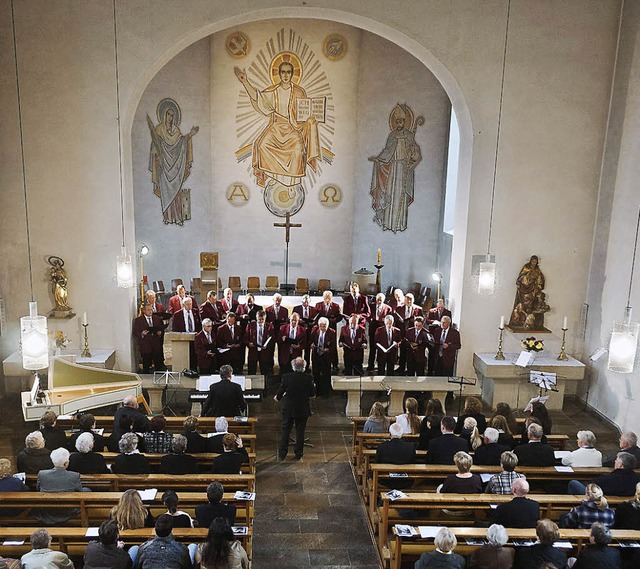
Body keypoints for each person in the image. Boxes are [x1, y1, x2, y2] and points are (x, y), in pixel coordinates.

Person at [234, 60, 321, 189]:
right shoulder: (273, 91)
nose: (286, 75)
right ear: (279, 74)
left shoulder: (299, 92)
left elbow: (304, 113)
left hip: (293, 129)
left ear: (292, 74)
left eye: (288, 72)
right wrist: (245, 81)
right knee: (261, 145)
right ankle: (274, 178)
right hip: (276, 127)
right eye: (283, 72)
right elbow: (257, 97)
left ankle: (291, 183)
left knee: (297, 150)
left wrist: (310, 120)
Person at [369, 104, 422, 234]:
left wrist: (413, 156)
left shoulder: (410, 136)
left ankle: (399, 224)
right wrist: (378, 159)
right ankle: (388, 223)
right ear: (395, 122)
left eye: (402, 121)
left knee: (401, 196)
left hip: (404, 169)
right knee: (391, 195)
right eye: (397, 121)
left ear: (405, 122)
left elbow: (415, 152)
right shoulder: (392, 136)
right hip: (393, 170)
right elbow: (387, 151)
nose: (399, 123)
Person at [147, 99, 199, 225]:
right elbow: (154, 147)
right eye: (168, 114)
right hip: (164, 168)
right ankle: (167, 217)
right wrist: (156, 155)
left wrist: (190, 135)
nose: (170, 117)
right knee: (166, 193)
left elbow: (181, 144)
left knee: (176, 193)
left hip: (175, 168)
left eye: (172, 115)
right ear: (164, 115)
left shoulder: (176, 131)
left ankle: (176, 217)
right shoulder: (159, 129)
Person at [275, 357, 315, 461]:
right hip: (302, 409)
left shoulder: (286, 377)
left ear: (293, 367)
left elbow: (281, 390)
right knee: (300, 431)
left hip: (289, 408)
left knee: (285, 430)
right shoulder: (309, 378)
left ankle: (282, 454)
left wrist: (277, 397)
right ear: (304, 367)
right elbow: (312, 394)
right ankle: (298, 454)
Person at [36, 447, 86, 525]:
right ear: (66, 463)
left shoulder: (42, 474)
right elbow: (80, 493)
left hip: (47, 510)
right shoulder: (74, 476)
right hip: (68, 511)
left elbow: (38, 490)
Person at [569, 451, 640, 497]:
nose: (615, 461)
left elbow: (592, 485)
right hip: (627, 502)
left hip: (602, 502)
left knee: (573, 483)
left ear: (621, 465)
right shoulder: (637, 479)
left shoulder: (609, 478)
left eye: (617, 460)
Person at [508, 255, 548, 329]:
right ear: (530, 261)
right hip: (524, 289)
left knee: (531, 303)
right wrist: (528, 279)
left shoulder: (537, 270)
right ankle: (522, 320)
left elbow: (540, 279)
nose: (534, 263)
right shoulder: (526, 267)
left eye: (535, 262)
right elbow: (521, 277)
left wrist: (538, 284)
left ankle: (529, 321)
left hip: (533, 290)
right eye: (533, 261)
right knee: (524, 304)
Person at [394, 292, 424, 373]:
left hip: (413, 334)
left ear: (413, 300)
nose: (409, 302)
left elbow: (421, 320)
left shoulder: (418, 309)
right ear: (404, 300)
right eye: (407, 300)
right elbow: (396, 322)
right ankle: (401, 367)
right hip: (402, 332)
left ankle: (410, 367)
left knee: (411, 351)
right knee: (403, 350)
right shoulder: (399, 308)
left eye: (411, 300)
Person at [133, 303, 166, 374]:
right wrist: (142, 334)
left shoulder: (157, 319)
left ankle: (158, 377)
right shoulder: (138, 320)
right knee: (146, 364)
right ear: (144, 311)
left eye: (151, 309)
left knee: (158, 364)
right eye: (148, 310)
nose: (150, 311)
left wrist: (160, 333)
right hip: (146, 345)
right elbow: (135, 332)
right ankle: (146, 379)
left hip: (156, 344)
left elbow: (161, 329)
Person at [310, 316, 337, 396]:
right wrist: (311, 344)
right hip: (316, 355)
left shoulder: (332, 332)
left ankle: (326, 392)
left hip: (326, 356)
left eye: (324, 326)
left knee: (326, 374)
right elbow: (311, 340)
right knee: (316, 374)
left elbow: (333, 346)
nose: (322, 328)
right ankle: (317, 391)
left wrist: (328, 349)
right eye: (321, 326)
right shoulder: (315, 330)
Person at [367, 292, 393, 371]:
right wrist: (370, 320)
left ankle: (380, 365)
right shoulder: (371, 306)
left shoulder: (388, 308)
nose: (379, 301)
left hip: (382, 330)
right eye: (378, 300)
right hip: (373, 328)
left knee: (381, 347)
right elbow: (367, 315)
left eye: (381, 300)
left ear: (384, 300)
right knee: (372, 348)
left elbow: (389, 318)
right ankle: (370, 365)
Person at [245, 310, 274, 376]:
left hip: (264, 352)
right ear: (256, 317)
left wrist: (267, 345)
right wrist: (249, 343)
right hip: (253, 351)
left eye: (262, 319)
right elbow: (245, 338)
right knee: (251, 371)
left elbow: (272, 339)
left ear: (265, 318)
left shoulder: (269, 326)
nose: (260, 321)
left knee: (265, 371)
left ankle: (265, 386)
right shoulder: (250, 325)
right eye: (259, 319)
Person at [293, 294, 318, 366]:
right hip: (299, 332)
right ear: (301, 302)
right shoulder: (296, 309)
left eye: (307, 302)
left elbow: (316, 321)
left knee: (308, 350)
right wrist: (299, 321)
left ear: (309, 301)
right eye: (304, 302)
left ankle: (306, 366)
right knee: (299, 349)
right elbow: (293, 319)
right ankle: (298, 365)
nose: (306, 304)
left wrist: (313, 322)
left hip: (310, 332)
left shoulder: (314, 309)